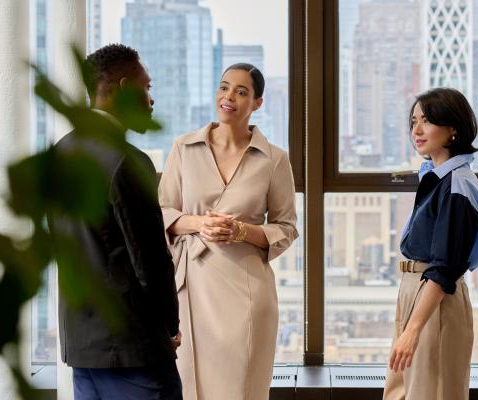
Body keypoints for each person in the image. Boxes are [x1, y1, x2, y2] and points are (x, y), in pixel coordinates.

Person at [49, 44, 182, 400]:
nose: (151, 100)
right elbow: (150, 260)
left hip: (83, 347)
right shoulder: (127, 162)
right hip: (132, 349)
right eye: (147, 87)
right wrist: (170, 323)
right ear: (124, 88)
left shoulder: (60, 153)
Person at [158, 63, 298, 400]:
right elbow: (160, 212)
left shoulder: (274, 159)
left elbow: (286, 228)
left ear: (258, 103)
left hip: (247, 291)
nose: (229, 96)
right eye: (224, 87)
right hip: (193, 287)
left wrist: (240, 231)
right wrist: (199, 224)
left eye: (241, 91)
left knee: (242, 390)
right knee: (191, 387)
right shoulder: (183, 148)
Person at [382, 87, 478, 400]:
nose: (416, 130)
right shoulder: (439, 177)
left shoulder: (457, 185)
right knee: (401, 393)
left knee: (433, 393)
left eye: (426, 121)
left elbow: (444, 268)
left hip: (434, 298)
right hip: (415, 290)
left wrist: (413, 329)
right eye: (413, 121)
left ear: (452, 128)